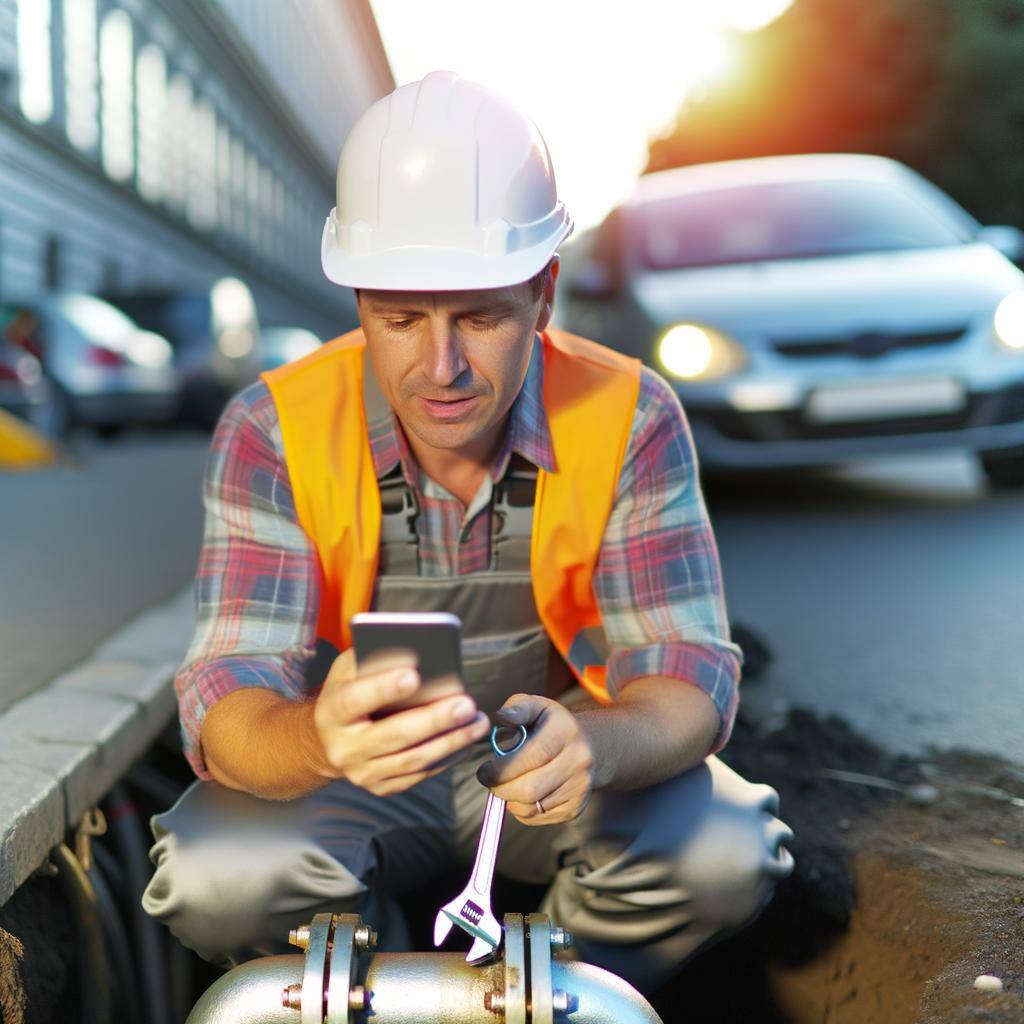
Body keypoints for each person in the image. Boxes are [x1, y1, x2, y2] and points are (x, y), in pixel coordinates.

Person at [142, 70, 794, 994]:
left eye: (480, 316)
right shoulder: (274, 428)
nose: (441, 367)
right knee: (219, 877)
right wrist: (322, 741)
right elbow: (228, 692)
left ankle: (557, 987)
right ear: (360, 299)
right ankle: (360, 985)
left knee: (722, 854)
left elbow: (686, 676)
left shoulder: (629, 414)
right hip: (353, 782)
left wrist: (593, 742)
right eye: (400, 319)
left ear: (545, 293)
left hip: (555, 778)